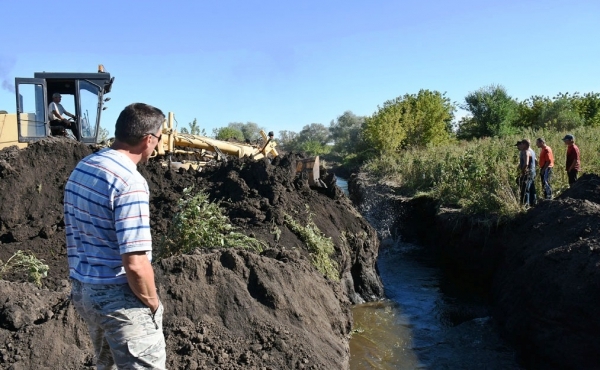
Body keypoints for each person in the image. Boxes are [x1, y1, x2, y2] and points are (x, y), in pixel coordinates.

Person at [64, 103, 166, 369]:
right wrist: (153, 305)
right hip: (119, 301)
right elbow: (135, 264)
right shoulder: (130, 182)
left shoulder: (84, 167)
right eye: (159, 139)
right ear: (148, 139)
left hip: (84, 291)